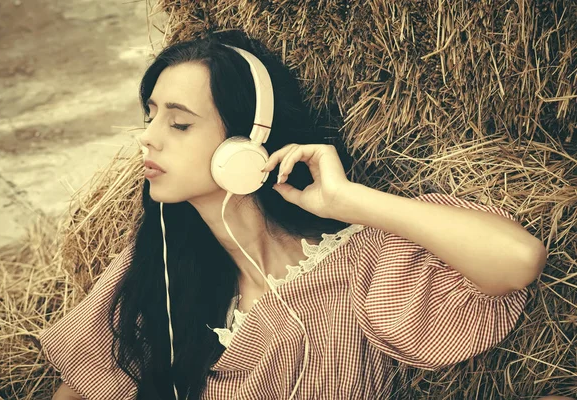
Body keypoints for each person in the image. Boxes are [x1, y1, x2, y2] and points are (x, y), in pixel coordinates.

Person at [40, 30, 554, 400]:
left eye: (178, 123)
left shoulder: (358, 265)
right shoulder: (158, 267)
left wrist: (351, 202)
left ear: (246, 144)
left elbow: (517, 259)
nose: (146, 137)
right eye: (149, 115)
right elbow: (78, 388)